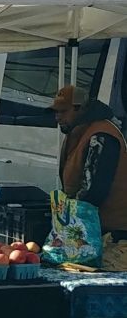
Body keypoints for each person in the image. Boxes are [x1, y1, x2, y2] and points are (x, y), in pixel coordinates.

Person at [49, 85, 127, 269]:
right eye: (56, 112)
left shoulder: (102, 136)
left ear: (80, 109)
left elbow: (94, 191)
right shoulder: (79, 131)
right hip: (94, 230)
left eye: (63, 111)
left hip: (113, 234)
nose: (57, 117)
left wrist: (67, 226)